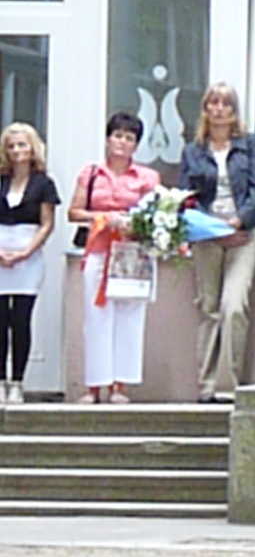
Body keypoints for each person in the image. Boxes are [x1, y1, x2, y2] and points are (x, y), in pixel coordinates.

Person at [176, 82, 255, 403]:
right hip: (206, 235)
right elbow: (184, 197)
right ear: (205, 109)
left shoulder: (249, 145)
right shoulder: (193, 151)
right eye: (213, 103)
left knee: (233, 307)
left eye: (225, 103)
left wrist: (239, 221)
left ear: (234, 111)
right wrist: (212, 228)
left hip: (243, 235)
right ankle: (206, 386)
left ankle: (228, 386)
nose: (219, 109)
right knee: (210, 308)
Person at [68, 112, 162, 405]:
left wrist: (132, 222)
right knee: (96, 318)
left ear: (136, 144)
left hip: (131, 253)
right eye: (117, 135)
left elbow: (156, 214)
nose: (122, 142)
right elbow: (74, 212)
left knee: (129, 319)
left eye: (129, 138)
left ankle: (119, 386)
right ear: (108, 139)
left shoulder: (147, 177)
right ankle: (94, 386)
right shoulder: (91, 173)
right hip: (98, 249)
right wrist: (103, 217)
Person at [0, 122, 60, 405]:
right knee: (0, 321)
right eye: (11, 146)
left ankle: (17, 381)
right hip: (0, 252)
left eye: (21, 145)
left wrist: (25, 252)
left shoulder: (43, 184)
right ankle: (0, 380)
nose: (16, 151)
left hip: (28, 255)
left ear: (32, 148)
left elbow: (47, 224)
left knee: (20, 320)